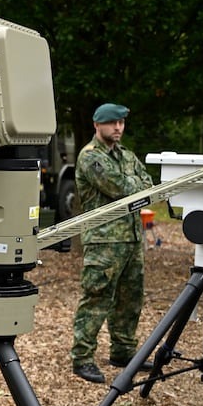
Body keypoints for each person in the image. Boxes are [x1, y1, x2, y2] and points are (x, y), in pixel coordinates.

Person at [70, 103, 155, 384]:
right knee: (97, 298)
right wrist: (133, 183)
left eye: (121, 123)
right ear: (97, 125)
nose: (118, 128)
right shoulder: (90, 156)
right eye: (112, 123)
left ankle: (123, 351)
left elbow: (148, 185)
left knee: (130, 299)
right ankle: (82, 358)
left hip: (131, 238)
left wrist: (134, 184)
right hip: (103, 241)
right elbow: (122, 188)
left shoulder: (125, 155)